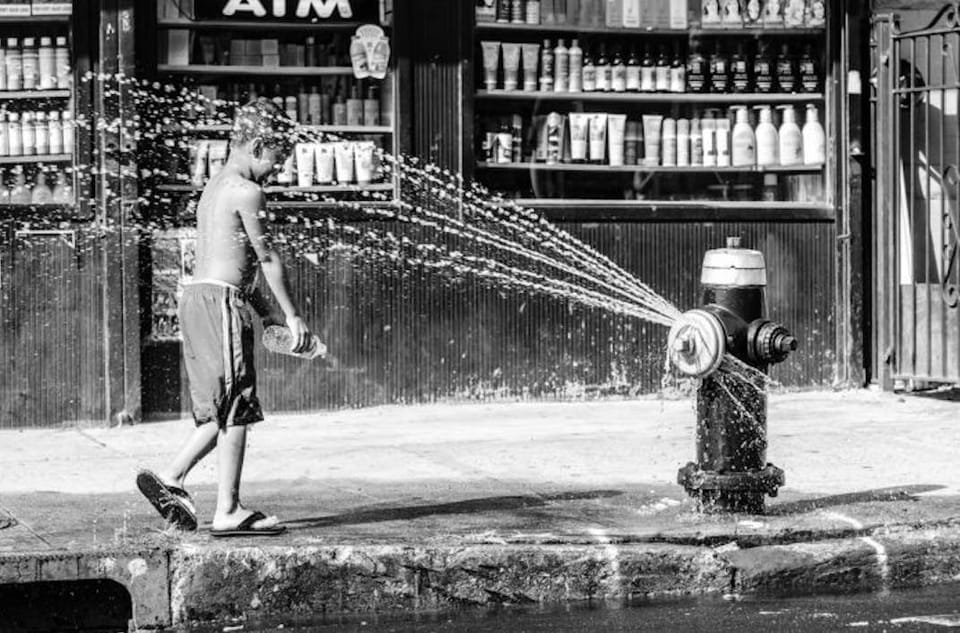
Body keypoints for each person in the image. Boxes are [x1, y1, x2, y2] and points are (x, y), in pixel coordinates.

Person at [137, 98, 313, 537]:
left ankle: (224, 508)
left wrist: (264, 314)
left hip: (197, 299)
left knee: (225, 406)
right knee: (234, 405)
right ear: (257, 144)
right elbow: (266, 258)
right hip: (221, 304)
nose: (279, 169)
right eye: (278, 157)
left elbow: (228, 261)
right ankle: (178, 480)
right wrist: (293, 317)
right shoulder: (248, 191)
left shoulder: (215, 185)